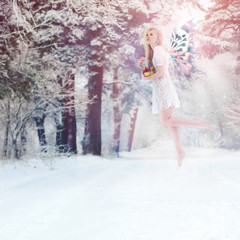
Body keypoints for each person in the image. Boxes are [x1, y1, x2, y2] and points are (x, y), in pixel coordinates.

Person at [137, 26, 212, 169]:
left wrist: (147, 77)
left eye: (151, 34)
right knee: (169, 121)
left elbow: (160, 74)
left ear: (157, 38)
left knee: (166, 121)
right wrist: (141, 67)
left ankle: (197, 123)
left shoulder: (158, 50)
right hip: (161, 88)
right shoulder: (153, 53)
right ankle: (179, 151)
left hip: (164, 87)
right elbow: (146, 76)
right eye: (147, 34)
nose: (148, 36)